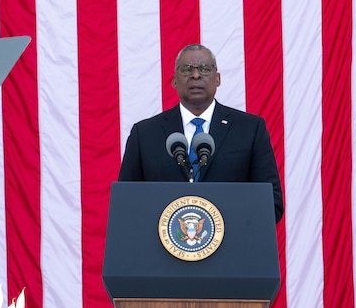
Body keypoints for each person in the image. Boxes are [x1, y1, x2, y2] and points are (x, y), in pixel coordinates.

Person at [118, 44, 284, 222]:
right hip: (162, 246)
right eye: (186, 69)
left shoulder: (250, 129)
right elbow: (126, 203)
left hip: (230, 246)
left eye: (205, 69)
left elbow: (271, 203)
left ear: (218, 79)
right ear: (174, 81)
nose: (195, 75)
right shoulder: (144, 134)